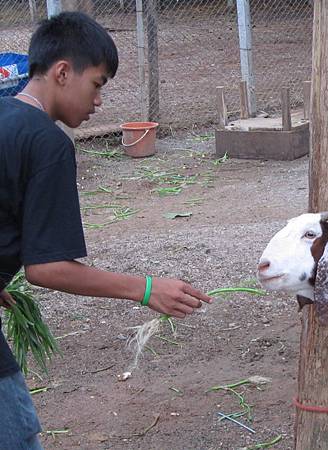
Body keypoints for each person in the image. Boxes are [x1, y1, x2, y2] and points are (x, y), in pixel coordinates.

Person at [0, 12, 211, 449]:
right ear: (62, 72)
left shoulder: (4, 114)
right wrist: (146, 288)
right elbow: (47, 268)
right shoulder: (47, 143)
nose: (99, 102)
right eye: (97, 85)